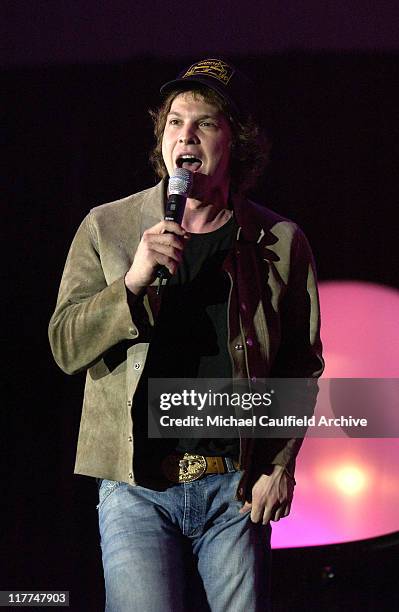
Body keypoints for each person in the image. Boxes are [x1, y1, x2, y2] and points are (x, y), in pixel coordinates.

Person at [49, 58, 324, 612]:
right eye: (175, 121)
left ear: (236, 142)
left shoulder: (279, 240)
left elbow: (301, 364)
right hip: (135, 491)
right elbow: (64, 345)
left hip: (234, 490)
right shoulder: (109, 227)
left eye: (206, 122)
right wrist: (130, 283)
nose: (187, 135)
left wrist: (279, 464)